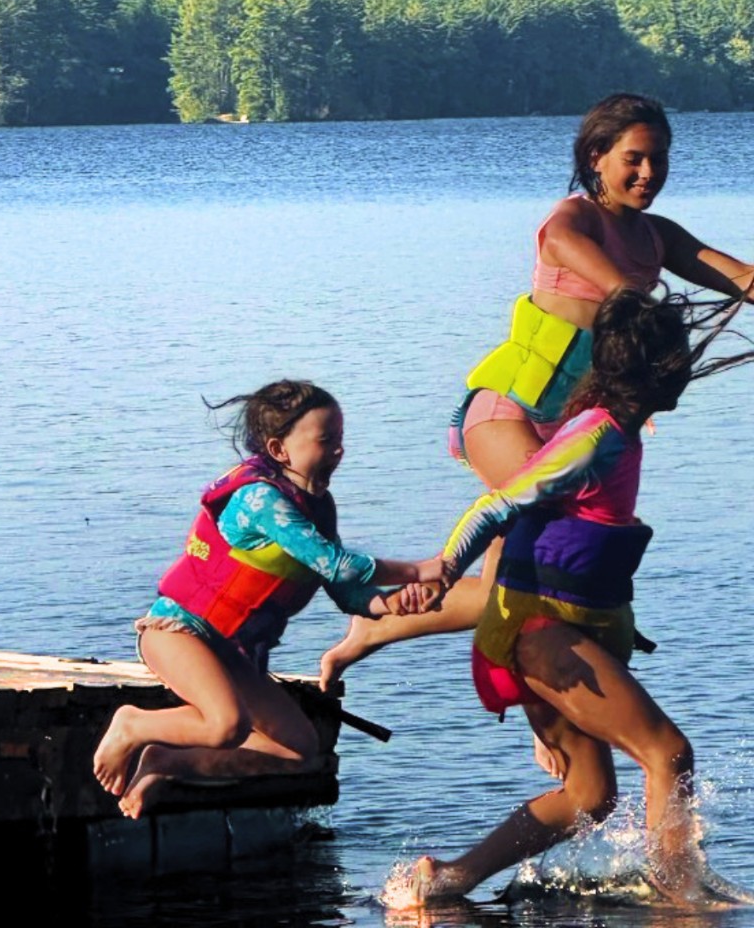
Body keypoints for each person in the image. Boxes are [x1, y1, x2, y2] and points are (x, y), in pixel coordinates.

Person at [320, 92, 754, 694]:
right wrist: (642, 320)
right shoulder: (572, 220)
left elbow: (743, 279)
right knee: (552, 543)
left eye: (659, 158)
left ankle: (384, 628)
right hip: (508, 408)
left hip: (575, 426)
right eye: (633, 158)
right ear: (597, 156)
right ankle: (542, 681)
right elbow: (592, 269)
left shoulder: (659, 236)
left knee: (507, 586)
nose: (648, 172)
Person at [386, 287, 754, 909]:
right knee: (667, 753)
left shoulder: (617, 431)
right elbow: (498, 504)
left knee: (589, 795)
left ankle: (445, 881)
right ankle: (680, 898)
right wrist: (445, 569)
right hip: (540, 633)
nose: (686, 372)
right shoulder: (594, 439)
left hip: (559, 629)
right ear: (655, 374)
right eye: (678, 361)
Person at [93, 379, 444, 819]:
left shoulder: (318, 504)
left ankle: (167, 762)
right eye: (326, 440)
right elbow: (335, 564)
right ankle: (132, 724)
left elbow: (345, 589)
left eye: (340, 438)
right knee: (226, 725)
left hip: (229, 649)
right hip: (178, 629)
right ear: (279, 449)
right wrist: (418, 569)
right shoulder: (260, 498)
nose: (339, 450)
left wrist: (392, 603)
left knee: (297, 748)